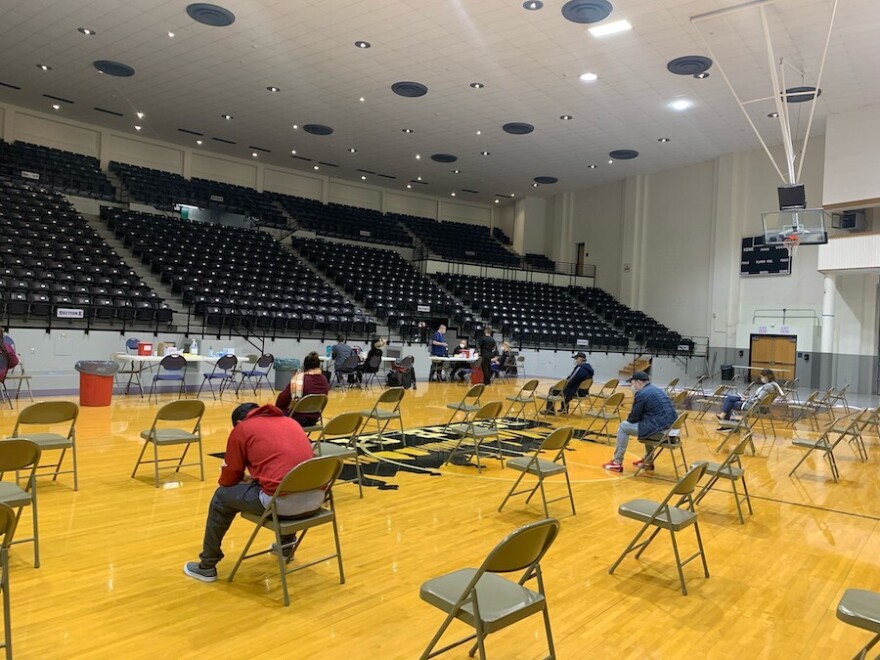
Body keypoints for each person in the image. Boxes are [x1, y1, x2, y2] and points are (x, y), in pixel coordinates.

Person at [184, 403, 324, 582]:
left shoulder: (243, 429)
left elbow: (229, 478)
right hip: (316, 502)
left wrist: (240, 479)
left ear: (239, 422)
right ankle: (286, 546)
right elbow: (288, 466)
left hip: (283, 506)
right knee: (286, 486)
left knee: (221, 497)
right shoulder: (291, 422)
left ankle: (207, 565)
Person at [603, 371, 677, 473]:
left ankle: (616, 463)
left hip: (661, 433)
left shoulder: (642, 394)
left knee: (624, 426)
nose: (631, 386)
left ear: (638, 382)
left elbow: (633, 418)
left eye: (632, 384)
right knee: (646, 425)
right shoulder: (657, 390)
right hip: (673, 432)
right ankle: (647, 461)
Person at [275, 352, 330, 427]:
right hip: (314, 418)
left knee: (272, 414)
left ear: (304, 367)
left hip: (296, 419)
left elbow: (281, 401)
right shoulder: (324, 379)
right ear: (318, 366)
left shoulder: (298, 379)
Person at [717, 368, 784, 427]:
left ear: (766, 376)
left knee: (729, 401)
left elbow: (758, 400)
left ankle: (725, 421)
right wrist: (747, 398)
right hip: (758, 406)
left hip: (753, 406)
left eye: (762, 377)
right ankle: (725, 419)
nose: (761, 379)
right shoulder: (773, 386)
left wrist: (748, 399)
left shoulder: (768, 387)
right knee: (730, 398)